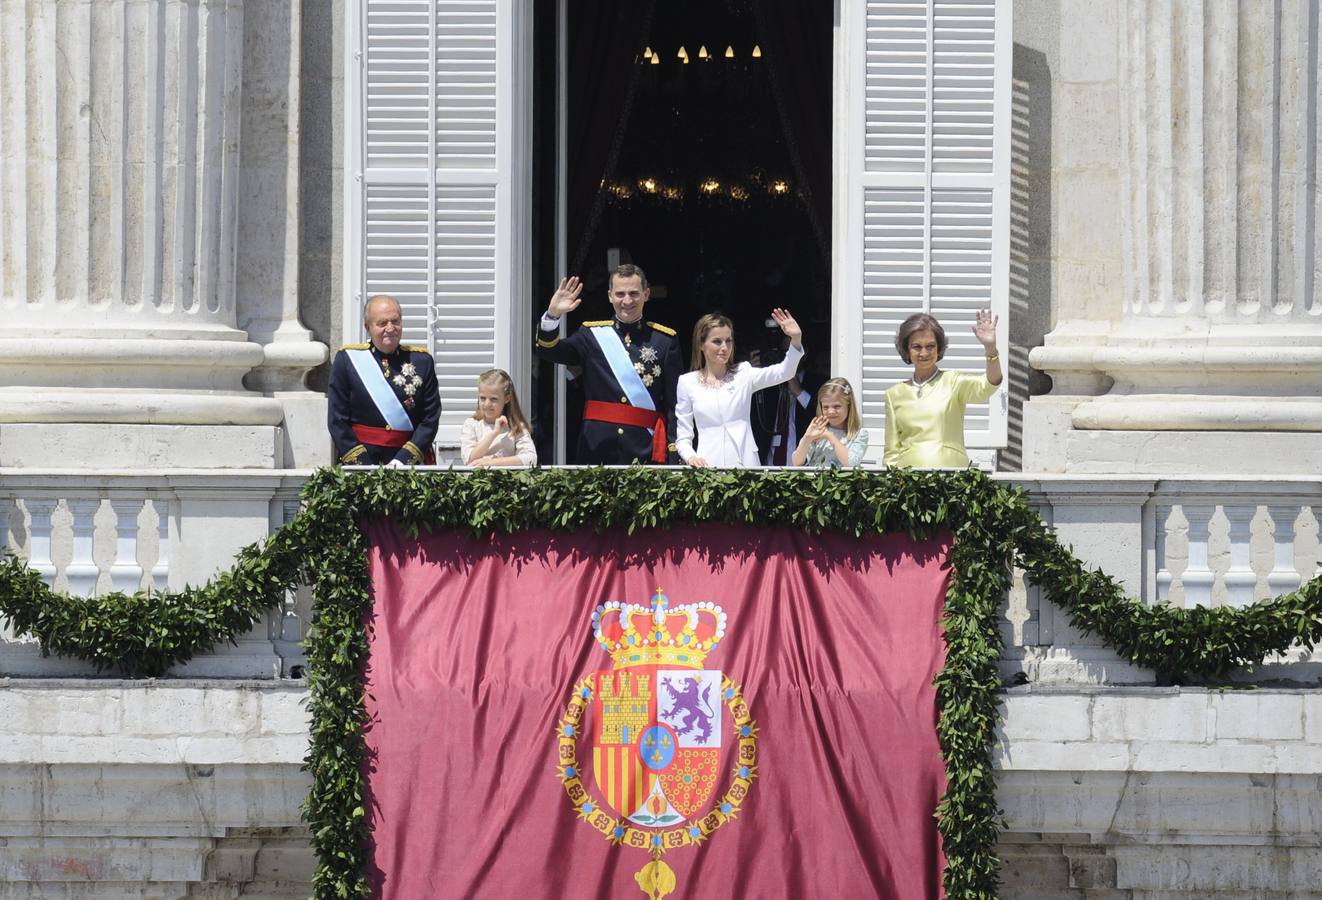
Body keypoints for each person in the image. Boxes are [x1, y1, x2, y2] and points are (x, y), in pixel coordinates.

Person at [533, 265, 682, 464]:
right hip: (597, 447)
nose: (627, 301)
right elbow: (548, 350)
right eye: (620, 294)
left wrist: (674, 447)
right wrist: (552, 315)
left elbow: (674, 403)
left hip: (645, 447)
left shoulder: (664, 341)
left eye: (634, 293)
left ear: (646, 294)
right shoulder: (591, 335)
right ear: (610, 296)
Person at [675, 310, 804, 468]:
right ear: (701, 344)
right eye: (717, 341)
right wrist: (691, 457)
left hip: (745, 465)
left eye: (728, 341)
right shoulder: (687, 382)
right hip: (706, 466)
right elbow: (683, 436)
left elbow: (785, 372)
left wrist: (796, 339)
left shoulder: (744, 373)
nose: (724, 347)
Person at [328, 294, 441, 466]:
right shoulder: (347, 360)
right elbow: (337, 420)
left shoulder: (421, 361)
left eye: (395, 321)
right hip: (362, 462)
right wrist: (363, 465)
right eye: (382, 323)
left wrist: (403, 460)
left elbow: (430, 418)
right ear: (368, 327)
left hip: (408, 464)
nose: (390, 328)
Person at [883, 310, 1002, 468]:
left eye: (930, 346)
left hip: (951, 478)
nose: (924, 353)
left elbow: (989, 384)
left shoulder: (953, 381)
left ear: (939, 349)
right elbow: (892, 452)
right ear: (906, 350)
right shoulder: (894, 394)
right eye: (917, 347)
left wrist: (990, 349)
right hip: (908, 483)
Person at [460, 368, 537, 467]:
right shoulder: (471, 424)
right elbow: (469, 458)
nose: (487, 404)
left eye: (493, 399)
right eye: (483, 398)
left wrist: (491, 463)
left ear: (507, 399)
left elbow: (531, 458)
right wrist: (494, 433)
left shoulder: (516, 426)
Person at [792, 378, 869, 468]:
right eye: (826, 407)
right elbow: (796, 462)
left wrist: (830, 436)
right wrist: (807, 438)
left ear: (849, 405)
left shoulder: (859, 434)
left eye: (837, 406)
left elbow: (850, 463)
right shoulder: (818, 430)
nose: (831, 411)